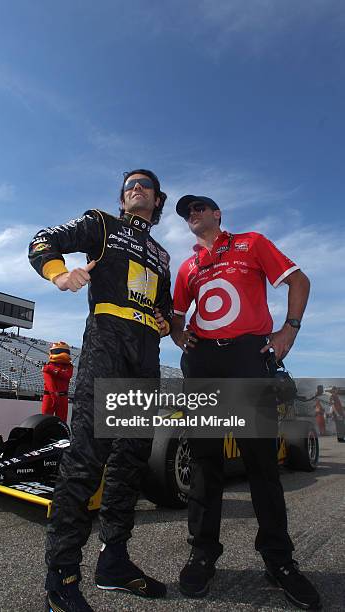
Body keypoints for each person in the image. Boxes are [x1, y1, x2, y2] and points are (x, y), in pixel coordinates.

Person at [29, 169, 172, 612]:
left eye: (145, 185)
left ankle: (115, 562)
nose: (136, 188)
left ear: (157, 201)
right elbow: (42, 240)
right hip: (107, 347)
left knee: (131, 461)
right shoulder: (101, 224)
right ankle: (62, 579)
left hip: (145, 359)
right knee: (86, 459)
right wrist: (58, 274)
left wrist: (166, 320)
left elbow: (163, 303)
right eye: (130, 184)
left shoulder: (163, 255)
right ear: (123, 197)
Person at [171, 195, 321, 610]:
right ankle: (203, 553)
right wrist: (180, 335)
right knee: (205, 462)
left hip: (248, 356)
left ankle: (279, 560)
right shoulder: (187, 267)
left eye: (200, 207)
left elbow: (299, 280)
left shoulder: (251, 243)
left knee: (261, 463)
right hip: (203, 364)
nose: (193, 215)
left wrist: (288, 331)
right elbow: (175, 314)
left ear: (217, 213)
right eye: (187, 213)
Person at [42, 341, 73, 422]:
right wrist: (54, 395)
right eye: (59, 351)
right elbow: (49, 383)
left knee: (62, 421)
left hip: (62, 397)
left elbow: (67, 375)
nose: (63, 354)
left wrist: (53, 370)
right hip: (49, 397)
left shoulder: (49, 367)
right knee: (45, 421)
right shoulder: (48, 366)